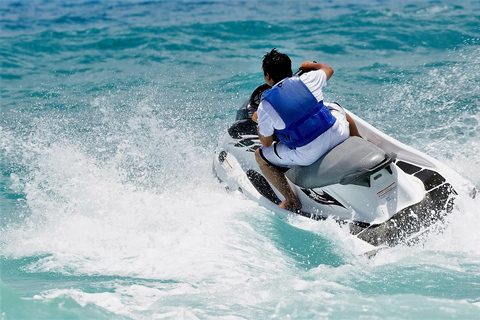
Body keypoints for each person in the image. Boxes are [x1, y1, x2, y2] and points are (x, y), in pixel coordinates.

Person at [253, 49, 360, 212]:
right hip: (338, 134)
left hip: (309, 154)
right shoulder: (308, 78)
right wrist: (312, 65)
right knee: (335, 107)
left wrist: (260, 122)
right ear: (290, 69)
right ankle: (358, 141)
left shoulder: (265, 106)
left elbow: (266, 143)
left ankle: (291, 201)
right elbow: (329, 69)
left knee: (260, 155)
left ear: (267, 76)